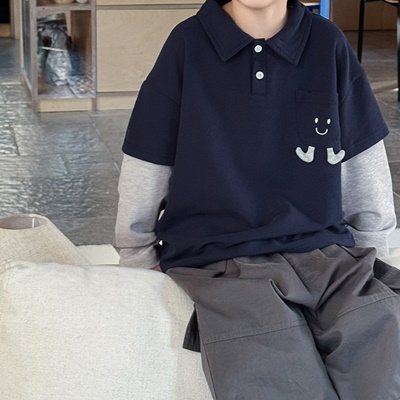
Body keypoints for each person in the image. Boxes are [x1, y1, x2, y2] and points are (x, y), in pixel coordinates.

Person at [115, 0, 400, 398]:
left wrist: (376, 253)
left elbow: (361, 159)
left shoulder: (327, 42)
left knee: (385, 349)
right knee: (273, 376)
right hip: (220, 260)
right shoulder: (187, 43)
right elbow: (148, 157)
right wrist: (137, 256)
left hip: (327, 255)